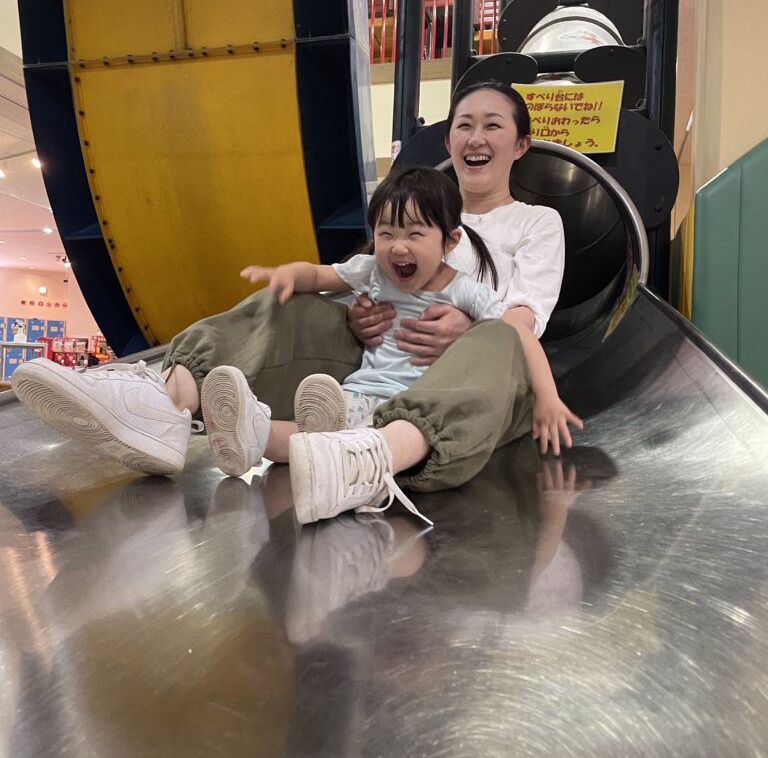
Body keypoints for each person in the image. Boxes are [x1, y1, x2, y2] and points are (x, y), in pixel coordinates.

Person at [11, 82, 579, 514]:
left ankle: (374, 454)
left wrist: (467, 328)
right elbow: (343, 278)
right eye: (463, 125)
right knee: (291, 303)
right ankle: (167, 404)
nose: (475, 138)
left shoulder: (535, 222)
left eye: (492, 126)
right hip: (378, 363)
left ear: (520, 144)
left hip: (478, 377)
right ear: (449, 139)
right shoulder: (408, 221)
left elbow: (522, 321)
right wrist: (346, 312)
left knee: (500, 335)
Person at [201, 166, 575, 506]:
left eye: (415, 233)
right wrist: (289, 274)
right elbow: (321, 275)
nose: (398, 246)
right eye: (385, 233)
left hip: (414, 404)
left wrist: (548, 396)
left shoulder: (465, 291)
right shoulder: (374, 273)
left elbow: (516, 336)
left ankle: (343, 462)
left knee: (356, 435)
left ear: (450, 241)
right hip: (361, 390)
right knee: (311, 430)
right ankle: (254, 434)